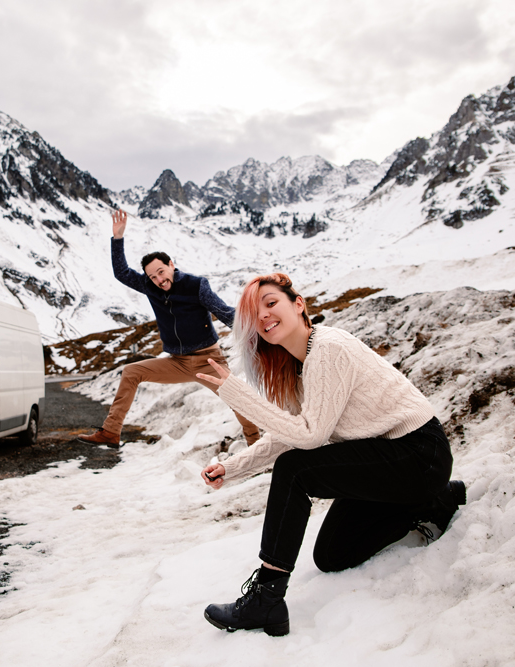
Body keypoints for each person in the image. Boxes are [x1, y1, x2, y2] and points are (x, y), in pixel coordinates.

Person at [196, 272, 465, 637]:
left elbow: (310, 437)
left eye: (271, 303)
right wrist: (231, 468)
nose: (264, 317)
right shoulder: (299, 365)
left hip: (418, 455)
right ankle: (433, 503)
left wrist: (239, 396)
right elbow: (288, 434)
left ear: (298, 304)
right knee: (333, 556)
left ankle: (267, 598)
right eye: (254, 315)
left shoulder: (329, 347)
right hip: (386, 462)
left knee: (294, 470)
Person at [77, 209, 261, 447]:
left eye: (161, 272)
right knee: (131, 372)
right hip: (176, 362)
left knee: (238, 400)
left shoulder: (196, 285)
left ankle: (256, 444)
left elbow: (224, 311)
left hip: (208, 360)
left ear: (171, 265)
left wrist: (258, 331)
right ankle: (111, 432)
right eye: (152, 277)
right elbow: (122, 273)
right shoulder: (149, 286)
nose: (159, 280)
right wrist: (118, 238)